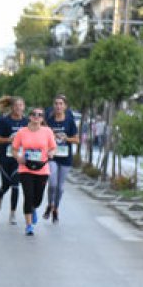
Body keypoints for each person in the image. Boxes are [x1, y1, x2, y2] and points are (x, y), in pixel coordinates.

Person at [11, 107, 57, 236]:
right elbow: (14, 149)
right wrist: (18, 157)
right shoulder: (22, 132)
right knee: (28, 196)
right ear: (29, 116)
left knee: (37, 199)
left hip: (42, 169)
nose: (36, 116)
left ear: (42, 118)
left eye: (40, 115)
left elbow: (53, 147)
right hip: (25, 168)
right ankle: (29, 225)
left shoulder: (47, 131)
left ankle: (33, 208)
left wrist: (51, 153)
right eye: (34, 114)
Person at [44, 94, 79, 222]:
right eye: (56, 103)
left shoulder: (69, 121)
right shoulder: (49, 120)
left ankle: (55, 208)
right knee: (52, 184)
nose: (58, 106)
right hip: (52, 156)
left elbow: (77, 140)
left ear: (65, 106)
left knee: (60, 187)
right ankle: (50, 204)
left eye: (61, 104)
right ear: (53, 105)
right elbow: (43, 137)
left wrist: (66, 138)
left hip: (65, 157)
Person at [0, 96, 26, 224]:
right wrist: (9, 140)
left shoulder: (27, 122)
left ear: (24, 107)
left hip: (19, 158)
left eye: (20, 105)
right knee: (6, 184)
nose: (18, 108)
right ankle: (0, 196)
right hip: (5, 157)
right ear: (12, 107)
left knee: (15, 184)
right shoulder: (4, 121)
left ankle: (12, 213)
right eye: (16, 105)